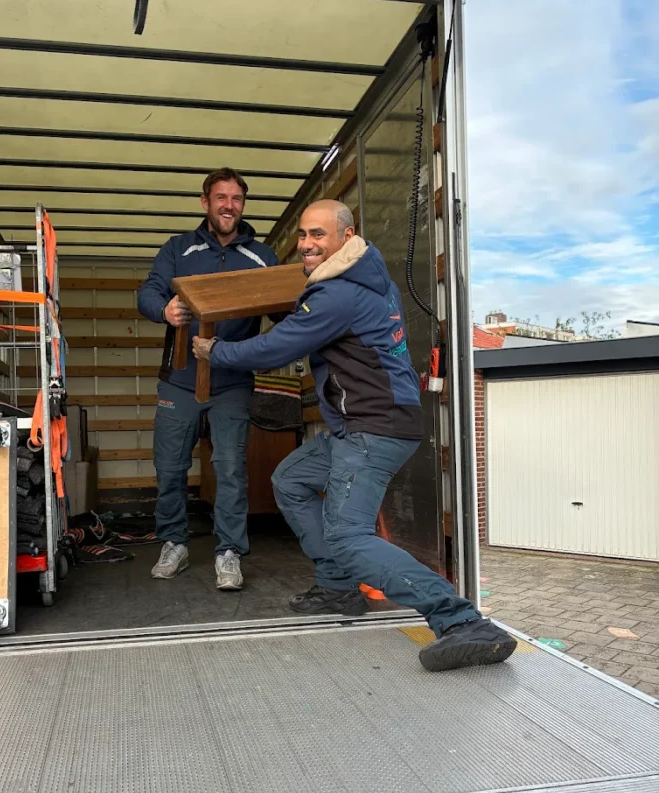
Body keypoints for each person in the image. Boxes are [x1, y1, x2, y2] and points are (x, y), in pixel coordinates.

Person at [193, 199, 517, 672]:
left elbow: (275, 348)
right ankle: (338, 587)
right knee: (291, 479)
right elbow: (308, 330)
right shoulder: (364, 277)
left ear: (346, 237)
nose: (306, 244)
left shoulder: (338, 294)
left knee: (347, 535)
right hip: (365, 424)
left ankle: (461, 620)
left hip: (374, 427)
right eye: (303, 234)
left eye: (318, 235)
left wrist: (215, 349)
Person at [138, 167, 279, 590]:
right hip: (179, 379)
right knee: (169, 466)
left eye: (236, 199)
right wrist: (163, 310)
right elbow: (148, 293)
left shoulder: (263, 257)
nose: (229, 206)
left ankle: (229, 551)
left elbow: (285, 309)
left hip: (232, 380)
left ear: (243, 205)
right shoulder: (178, 248)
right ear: (205, 202)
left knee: (231, 468)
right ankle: (174, 543)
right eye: (221, 198)